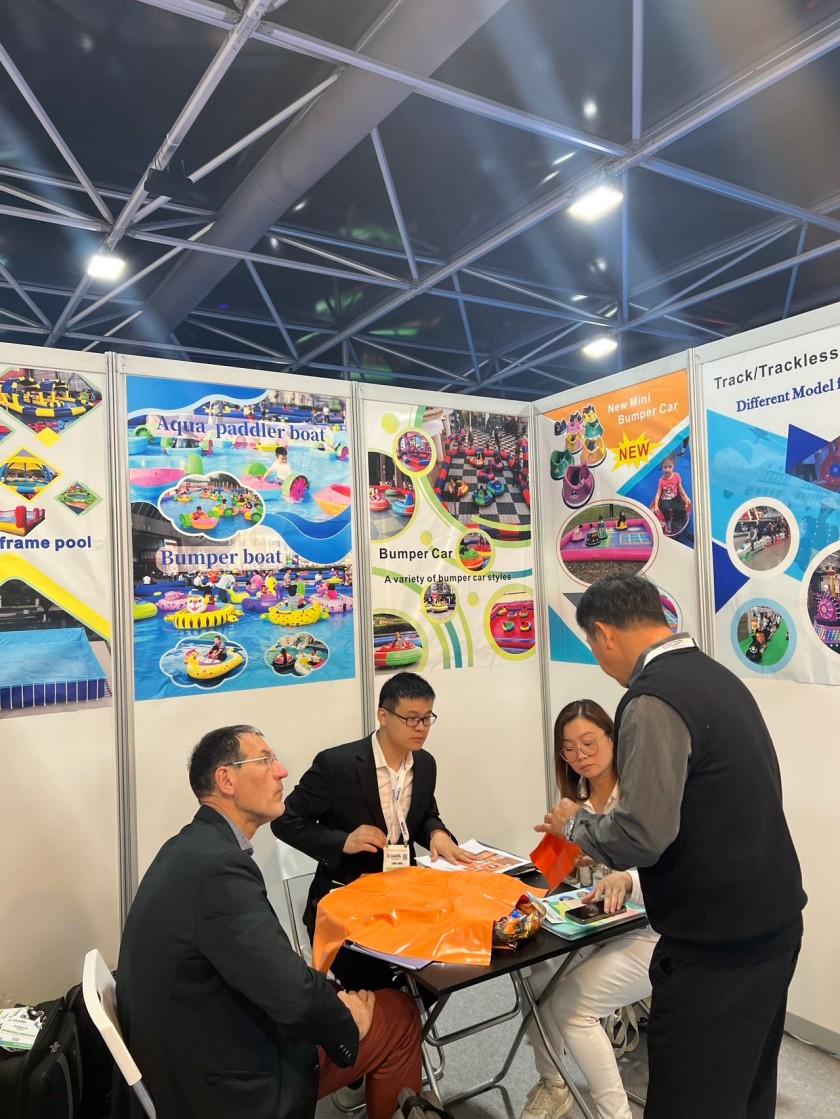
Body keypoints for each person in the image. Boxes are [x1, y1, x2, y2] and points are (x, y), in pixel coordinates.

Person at [536, 574, 805, 1119]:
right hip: (771, 923)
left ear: (604, 634)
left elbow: (641, 834)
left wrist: (574, 827)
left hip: (716, 945)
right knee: (745, 1090)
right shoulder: (717, 677)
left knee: (690, 1098)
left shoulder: (651, 698)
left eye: (592, 645)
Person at [117, 726, 421, 1119]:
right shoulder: (220, 868)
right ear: (226, 780)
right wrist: (349, 1021)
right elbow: (291, 993)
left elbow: (268, 968)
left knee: (339, 991)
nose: (281, 771)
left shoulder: (191, 846)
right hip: (222, 1078)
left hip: (190, 1041)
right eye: (265, 760)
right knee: (399, 1014)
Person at [273, 673, 475, 993]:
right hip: (347, 902)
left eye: (427, 718)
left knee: (454, 963)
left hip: (404, 896)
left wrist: (436, 832)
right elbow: (284, 820)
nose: (421, 728)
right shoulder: (336, 765)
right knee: (379, 986)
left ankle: (406, 1009)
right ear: (383, 715)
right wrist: (343, 841)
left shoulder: (425, 764)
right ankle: (394, 1013)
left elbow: (424, 815)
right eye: (411, 718)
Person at [522, 700, 658, 1119]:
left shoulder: (640, 796)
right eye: (569, 749)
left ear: (613, 739)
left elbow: (670, 868)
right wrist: (563, 856)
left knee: (571, 1006)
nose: (581, 756)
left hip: (651, 930)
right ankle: (554, 1084)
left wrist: (624, 876)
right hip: (594, 928)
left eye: (589, 743)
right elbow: (546, 875)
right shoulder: (572, 803)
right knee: (535, 976)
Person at [652, 454, 689, 531]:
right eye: (665, 467)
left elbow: (680, 487)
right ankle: (668, 521)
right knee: (664, 507)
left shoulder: (677, 476)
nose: (667, 470)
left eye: (670, 467)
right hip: (665, 499)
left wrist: (686, 496)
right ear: (662, 467)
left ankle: (678, 519)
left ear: (673, 466)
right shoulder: (661, 481)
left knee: (682, 507)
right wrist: (656, 506)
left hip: (674, 497)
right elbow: (658, 494)